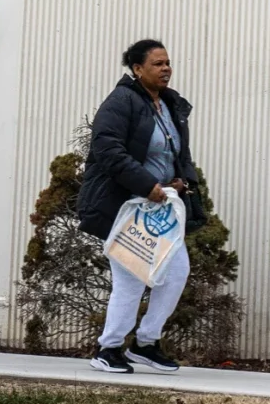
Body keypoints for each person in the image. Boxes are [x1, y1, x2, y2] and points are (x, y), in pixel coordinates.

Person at [78, 39, 197, 374]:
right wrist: (147, 185)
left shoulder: (171, 105)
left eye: (168, 62)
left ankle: (145, 343)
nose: (166, 69)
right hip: (127, 205)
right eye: (158, 63)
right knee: (131, 278)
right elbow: (107, 149)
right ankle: (109, 348)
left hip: (160, 208)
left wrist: (181, 180)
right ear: (137, 68)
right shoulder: (121, 101)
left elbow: (178, 154)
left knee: (176, 273)